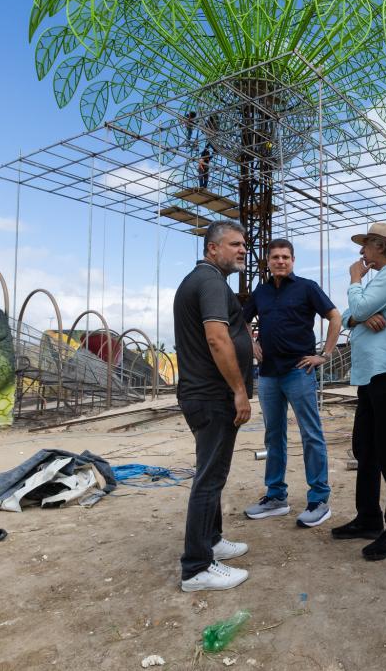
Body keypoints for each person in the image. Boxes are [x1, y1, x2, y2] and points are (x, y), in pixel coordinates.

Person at [331, 222, 386, 562]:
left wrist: (355, 281)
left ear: (382, 246)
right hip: (374, 375)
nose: (361, 252)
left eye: (366, 244)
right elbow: (353, 315)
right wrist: (361, 315)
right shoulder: (384, 278)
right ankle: (369, 517)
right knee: (366, 447)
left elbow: (360, 307)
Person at [172, 221, 254, 592]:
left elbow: (228, 335)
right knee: (209, 479)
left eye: (244, 245)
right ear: (212, 250)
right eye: (235, 244)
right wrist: (239, 390)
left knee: (213, 473)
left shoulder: (207, 281)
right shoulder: (209, 282)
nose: (242, 250)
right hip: (212, 395)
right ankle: (197, 567)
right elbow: (217, 338)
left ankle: (213, 539)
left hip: (203, 393)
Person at [242, 239, 343, 527]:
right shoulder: (260, 292)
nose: (280, 261)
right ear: (268, 261)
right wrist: (252, 344)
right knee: (274, 436)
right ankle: (276, 497)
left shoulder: (307, 287)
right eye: (275, 257)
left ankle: (319, 499)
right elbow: (242, 321)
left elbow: (335, 316)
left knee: (311, 434)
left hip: (299, 371)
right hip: (269, 374)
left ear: (293, 260)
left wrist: (323, 354)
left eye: (285, 257)